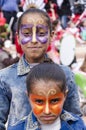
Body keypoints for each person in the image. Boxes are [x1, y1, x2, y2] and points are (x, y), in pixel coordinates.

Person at [0, 7, 81, 130]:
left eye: (41, 33)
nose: (33, 40)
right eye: (26, 33)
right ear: (18, 37)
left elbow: (74, 118)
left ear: (51, 36)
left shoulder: (66, 74)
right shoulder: (5, 77)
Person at [8, 62, 86, 130]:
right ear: (28, 96)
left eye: (54, 100)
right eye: (39, 101)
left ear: (65, 95)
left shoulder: (77, 125)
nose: (47, 111)